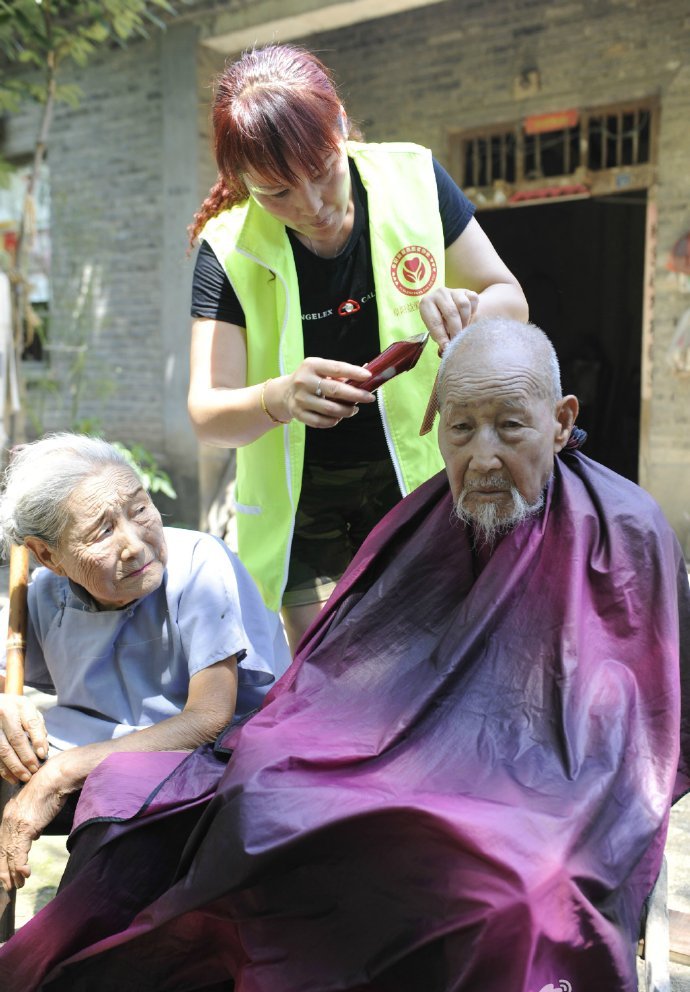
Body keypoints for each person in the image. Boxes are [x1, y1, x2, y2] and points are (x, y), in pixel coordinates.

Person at [2, 319, 688, 992]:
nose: (483, 457)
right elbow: (343, 666)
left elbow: (625, 730)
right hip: (400, 755)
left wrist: (502, 781)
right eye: (460, 430)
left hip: (551, 789)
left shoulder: (624, 531)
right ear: (434, 425)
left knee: (518, 889)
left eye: (509, 427)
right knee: (263, 799)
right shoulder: (424, 521)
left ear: (560, 420)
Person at [187, 43, 528, 652]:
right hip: (302, 509)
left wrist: (467, 309)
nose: (311, 207)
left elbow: (510, 296)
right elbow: (208, 415)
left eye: (322, 171)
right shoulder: (229, 247)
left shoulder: (414, 178)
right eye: (277, 193)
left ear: (341, 124)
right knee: (333, 675)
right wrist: (278, 397)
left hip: (421, 484)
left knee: (438, 663)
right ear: (243, 183)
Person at [0, 433, 289, 891]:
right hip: (95, 757)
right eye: (102, 531)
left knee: (114, 824)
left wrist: (62, 773)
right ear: (47, 556)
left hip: (206, 763)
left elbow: (209, 719)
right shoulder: (44, 594)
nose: (135, 543)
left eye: (139, 510)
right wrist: (5, 705)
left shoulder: (199, 565)